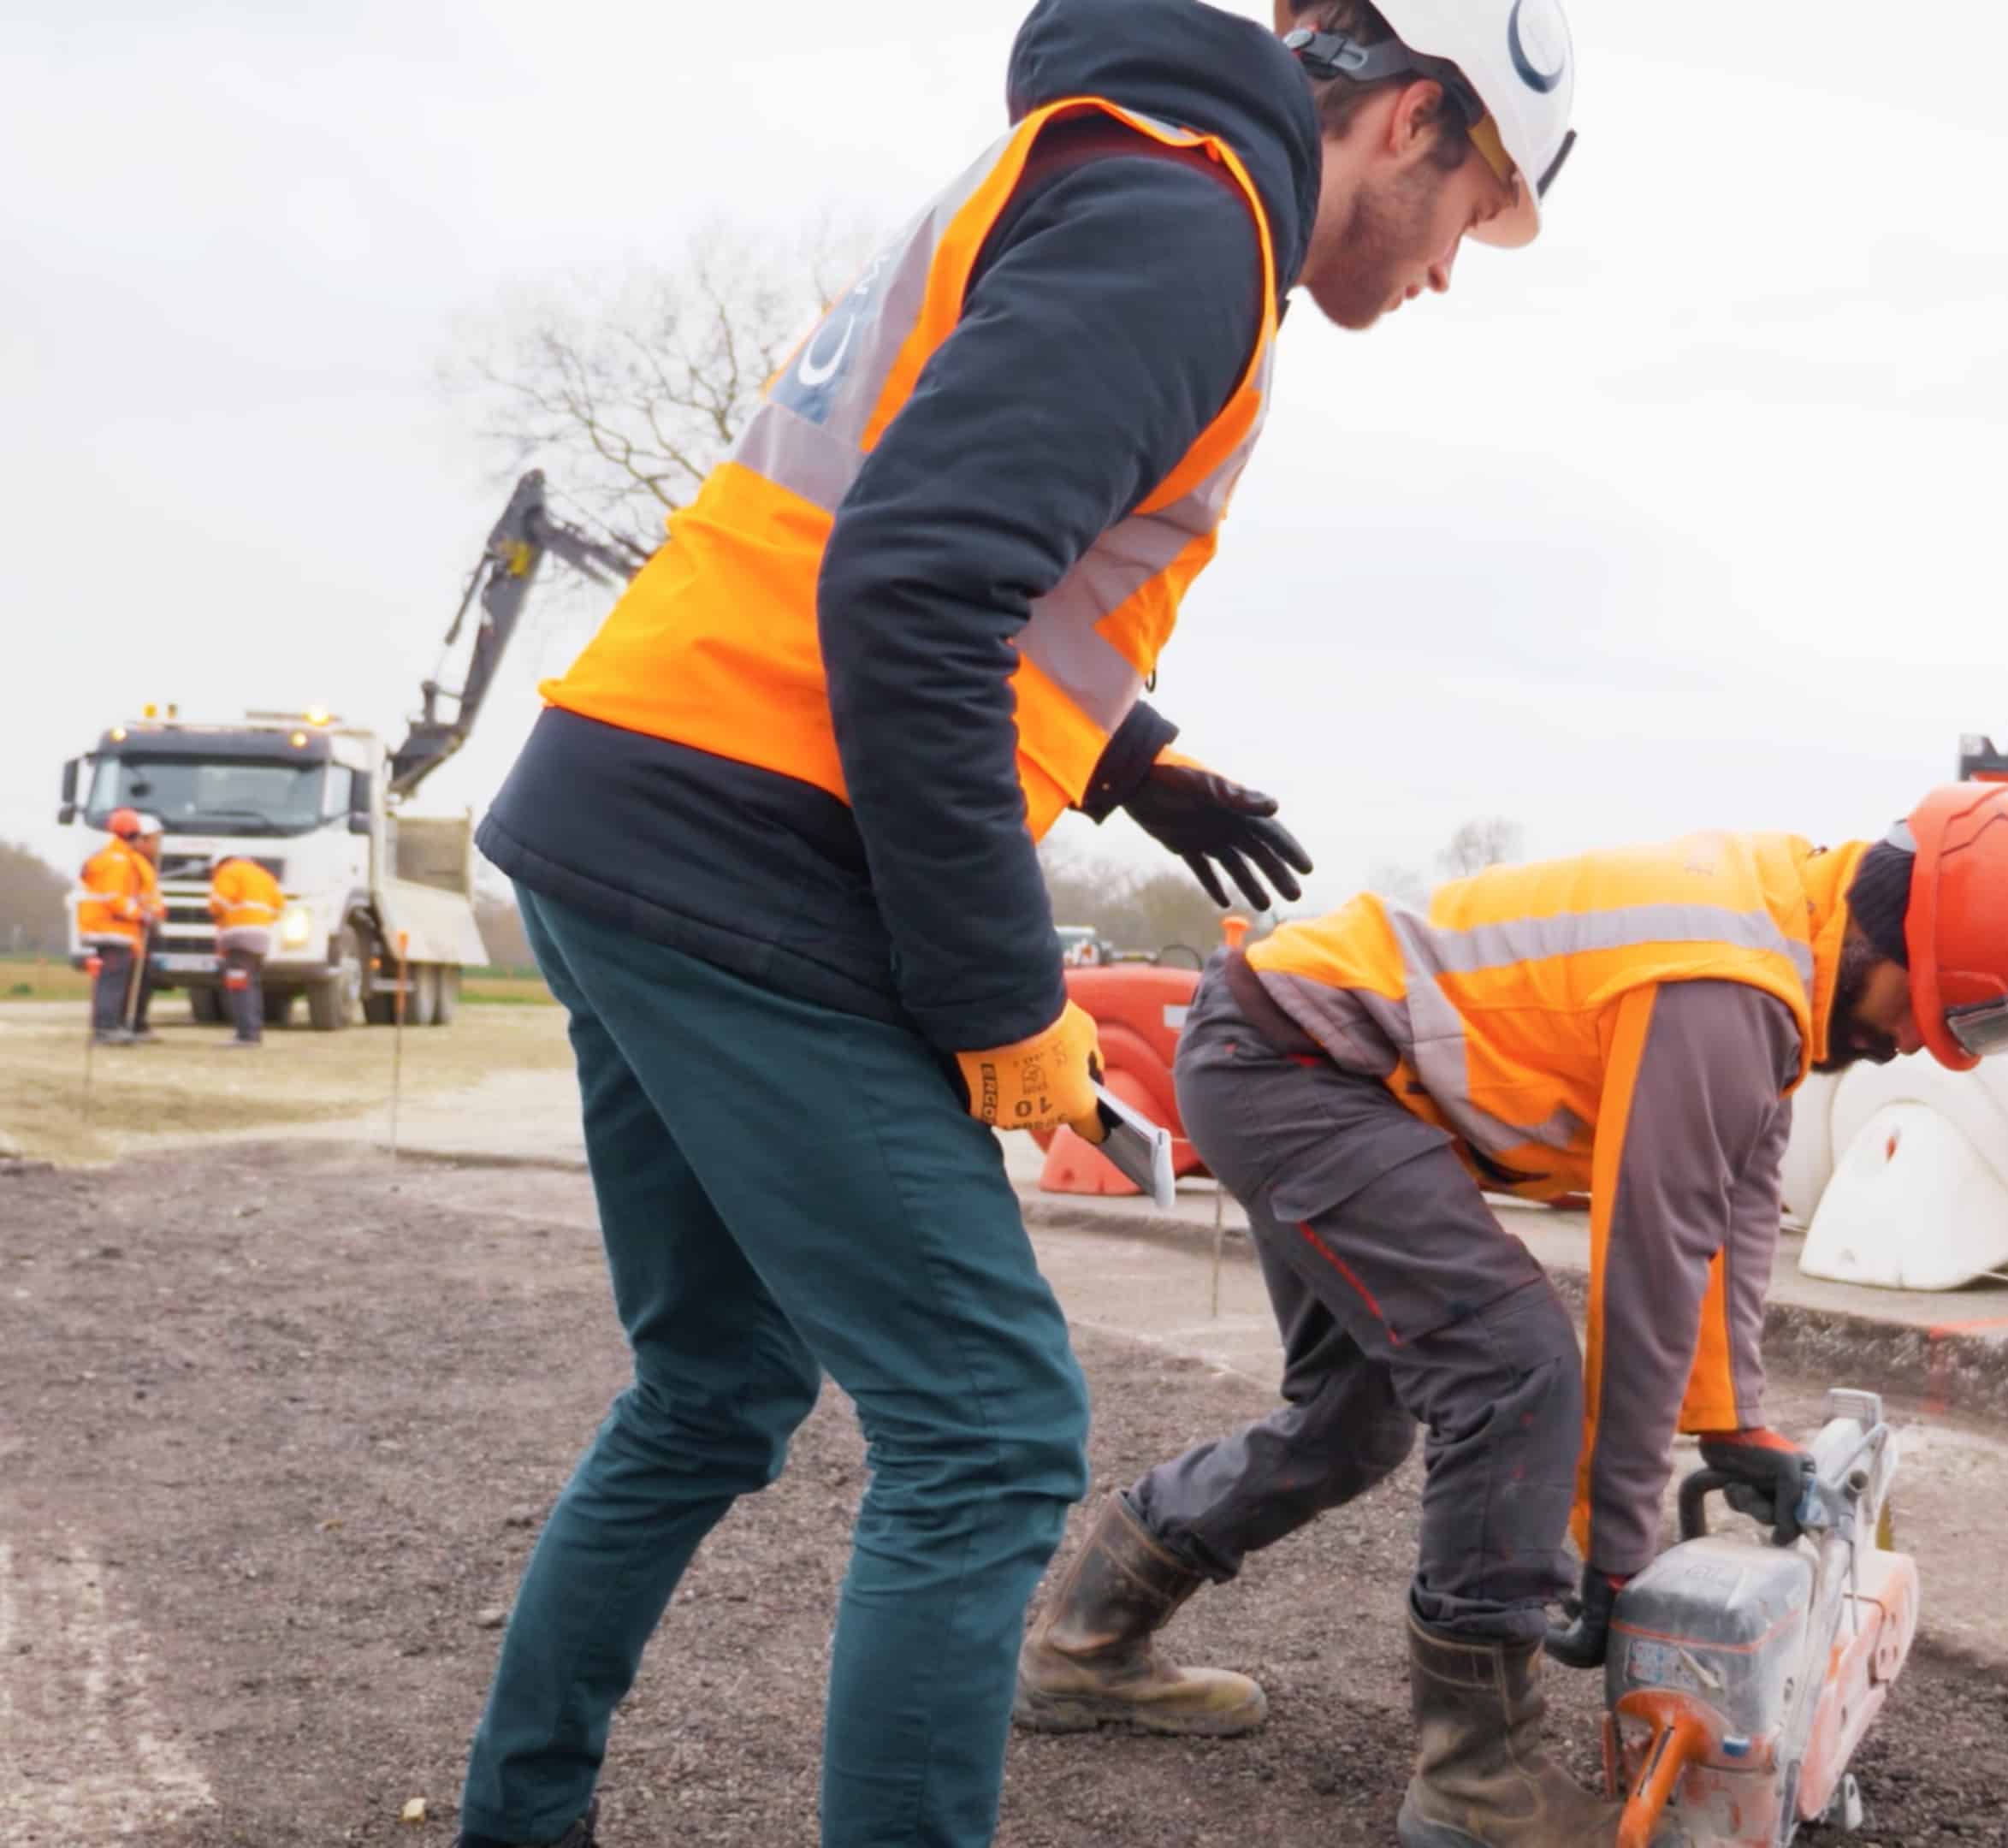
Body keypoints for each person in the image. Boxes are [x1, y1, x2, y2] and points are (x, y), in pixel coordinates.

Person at [453, 3, 1580, 1845]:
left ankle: (523, 1819)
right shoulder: (1192, 220)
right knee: (986, 1431)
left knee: (719, 1386)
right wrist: (998, 1001)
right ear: (1414, 118)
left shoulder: (1121, 167)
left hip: (626, 801)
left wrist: (1125, 756)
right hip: (748, 845)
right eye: (1478, 211)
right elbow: (911, 585)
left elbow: (908, 527)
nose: (1458, 269)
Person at [1016, 783, 2008, 1848]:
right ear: (1911, 942)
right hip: (1293, 1063)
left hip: (1292, 1052)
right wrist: (1619, 1553)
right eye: (1953, 1014)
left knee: (1353, 1419)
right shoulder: (1726, 985)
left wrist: (1734, 1424)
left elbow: (1733, 1213)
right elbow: (1651, 1265)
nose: (1929, 1044)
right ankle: (1475, 1779)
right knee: (1513, 1366)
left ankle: (1086, 1643)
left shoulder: (1783, 950)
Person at [76, 808, 165, 1047]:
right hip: (113, 929)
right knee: (112, 981)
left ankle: (109, 1026)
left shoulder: (113, 857)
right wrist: (141, 915)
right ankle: (106, 1029)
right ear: (133, 835)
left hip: (110, 928)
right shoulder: (118, 862)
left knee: (112, 980)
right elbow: (115, 899)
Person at [207, 854, 284, 1048]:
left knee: (240, 986)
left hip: (237, 938)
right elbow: (278, 907)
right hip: (260, 938)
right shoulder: (264, 876)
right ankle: (253, 1031)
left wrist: (220, 916)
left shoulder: (229, 872)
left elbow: (218, 903)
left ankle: (246, 1034)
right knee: (253, 984)